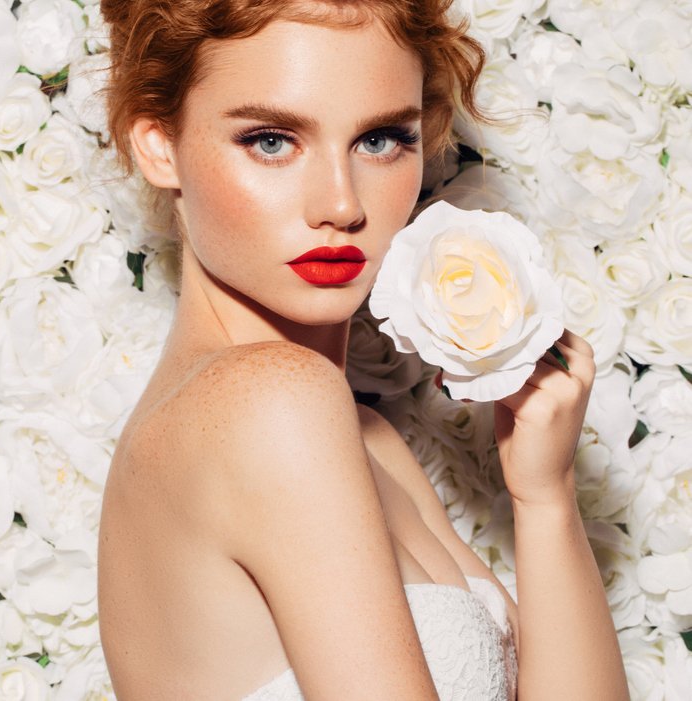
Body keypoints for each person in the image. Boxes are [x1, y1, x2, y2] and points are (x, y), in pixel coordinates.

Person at [96, 1, 630, 699]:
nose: (341, 204)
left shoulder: (363, 434)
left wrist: (544, 497)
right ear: (159, 143)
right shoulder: (273, 401)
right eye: (271, 140)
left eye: (380, 140)